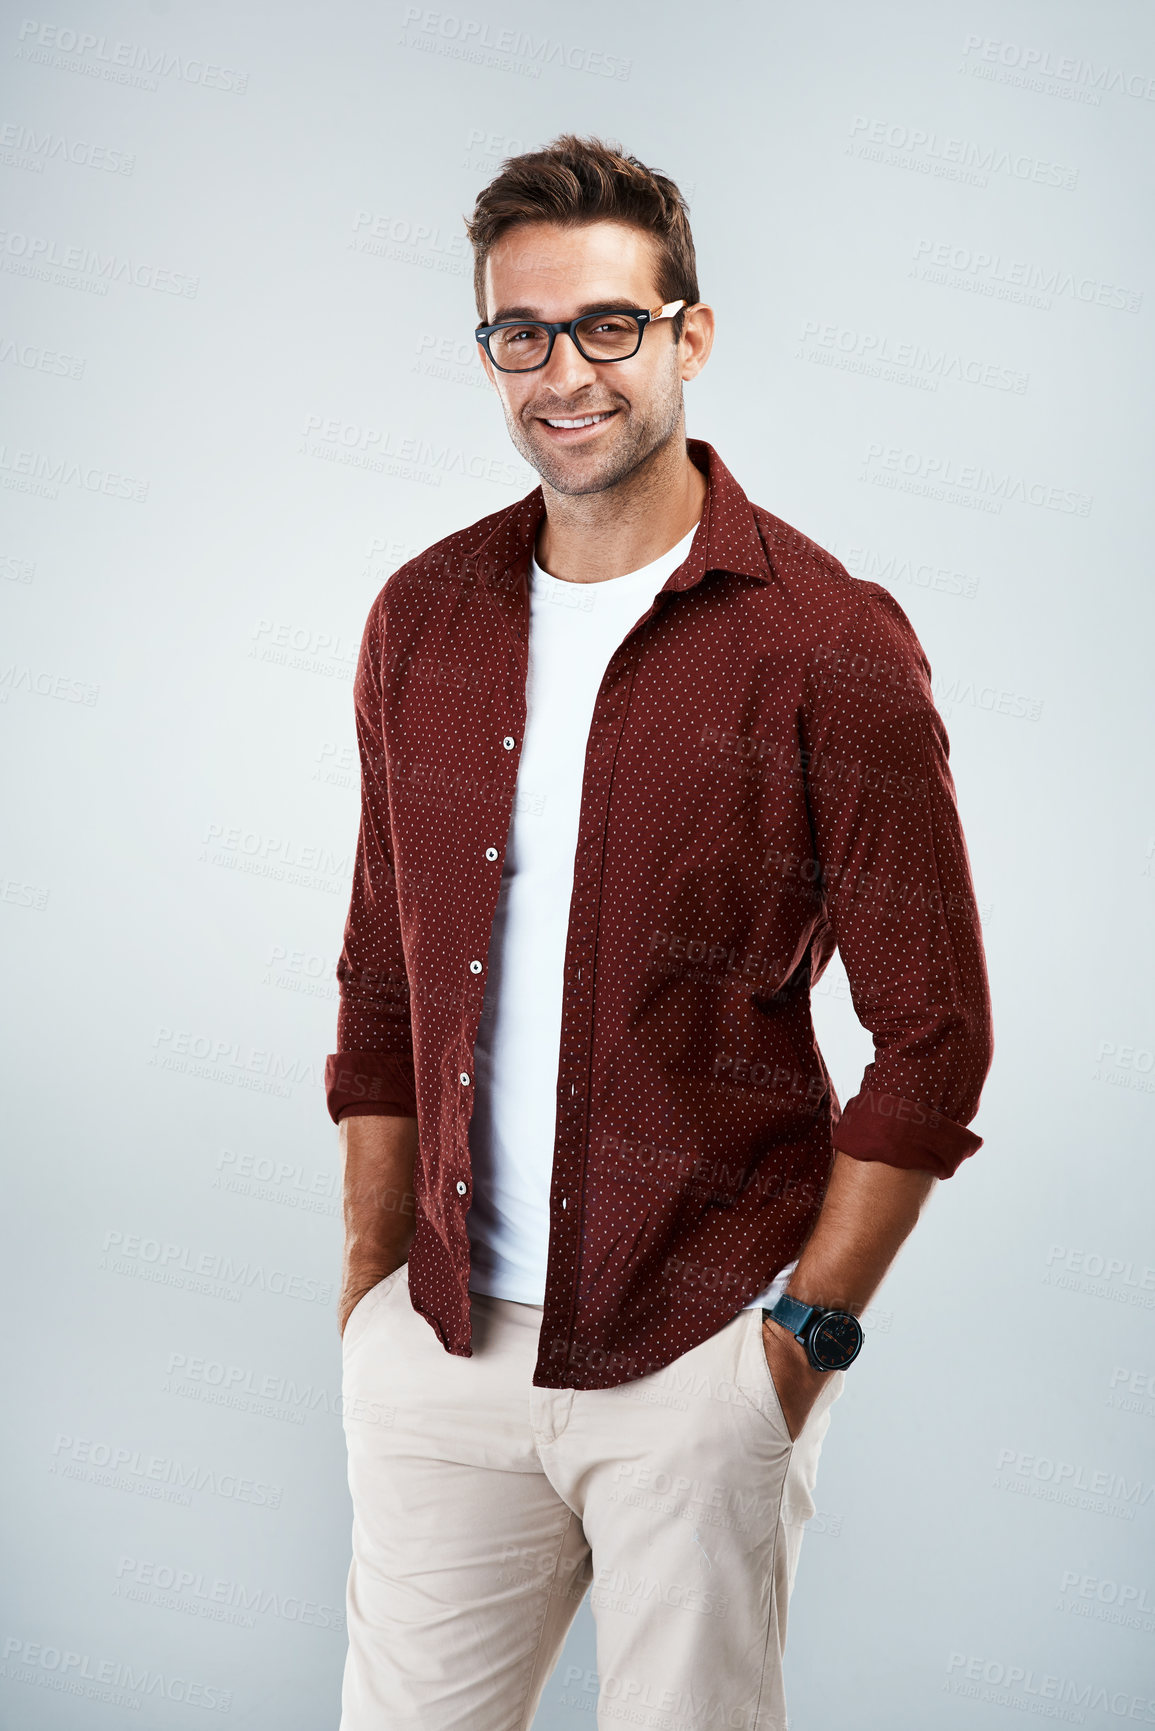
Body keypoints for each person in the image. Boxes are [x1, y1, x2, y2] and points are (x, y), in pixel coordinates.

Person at [325, 133, 993, 1731]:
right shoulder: (423, 616)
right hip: (440, 1353)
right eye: (523, 333)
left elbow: (936, 1034)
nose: (567, 372)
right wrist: (366, 1292)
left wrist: (793, 1352)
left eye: (610, 326)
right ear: (488, 347)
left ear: (690, 334)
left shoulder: (827, 641)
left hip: (702, 1352)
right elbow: (381, 978)